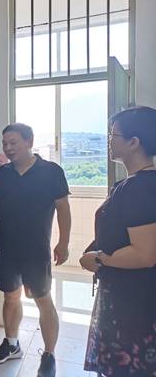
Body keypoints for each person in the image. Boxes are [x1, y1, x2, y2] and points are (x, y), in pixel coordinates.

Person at [0, 123, 71, 377]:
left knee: (43, 299)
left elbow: (63, 208)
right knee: (10, 297)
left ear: (29, 141)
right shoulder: (3, 173)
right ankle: (11, 344)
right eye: (5, 144)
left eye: (13, 143)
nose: (8, 148)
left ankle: (49, 355)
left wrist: (63, 242)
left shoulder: (51, 171)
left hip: (36, 249)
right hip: (8, 247)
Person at [80, 106, 156, 377]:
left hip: (133, 303)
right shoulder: (136, 184)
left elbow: (145, 254)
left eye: (114, 135)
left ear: (134, 142)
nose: (109, 140)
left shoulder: (139, 188)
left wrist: (99, 259)